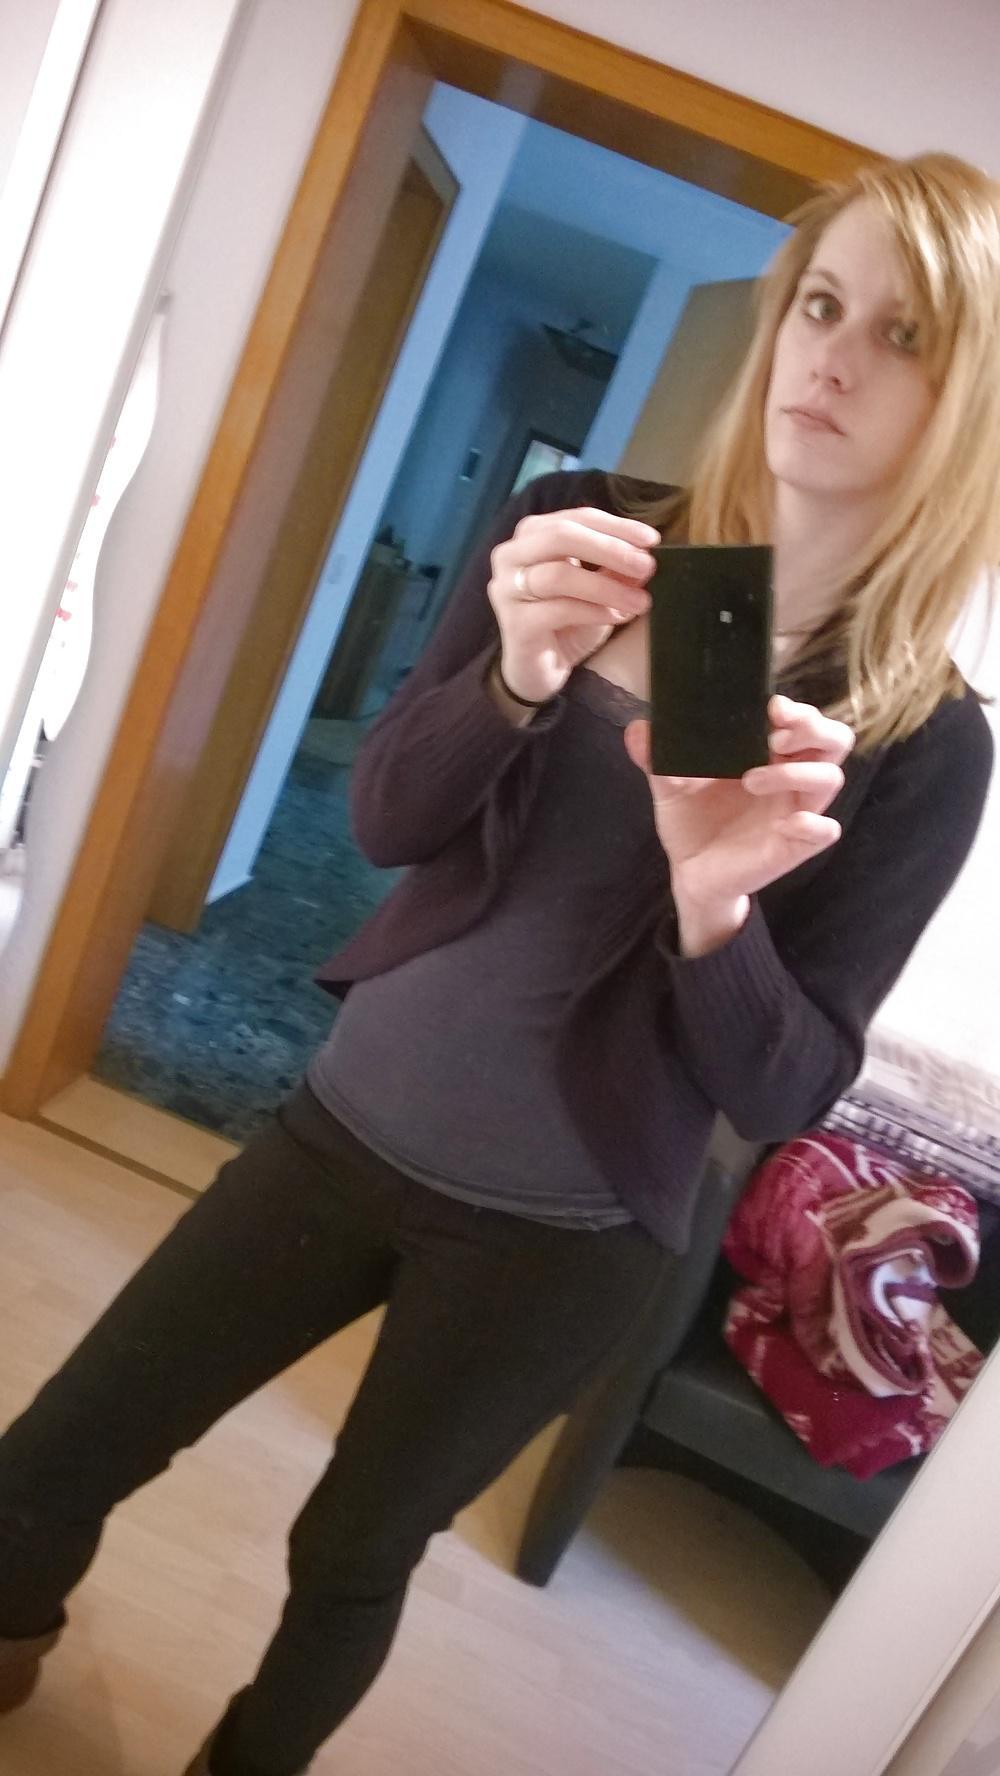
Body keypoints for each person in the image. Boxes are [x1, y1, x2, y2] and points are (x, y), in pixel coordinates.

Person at [0, 150, 997, 1776]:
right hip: (345, 1128)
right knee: (59, 1449)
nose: (831, 357)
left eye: (906, 335)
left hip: (564, 1235)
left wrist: (714, 904)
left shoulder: (921, 741)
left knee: (350, 1556)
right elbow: (387, 816)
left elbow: (783, 1085)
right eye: (821, 305)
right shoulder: (579, 530)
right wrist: (516, 680)